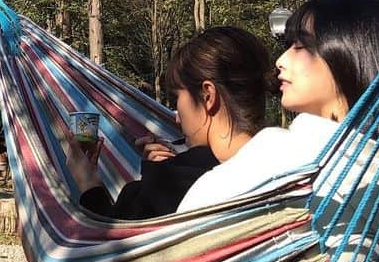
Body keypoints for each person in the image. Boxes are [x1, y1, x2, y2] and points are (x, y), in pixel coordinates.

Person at [177, 0, 379, 212]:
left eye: (300, 46)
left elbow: (188, 221)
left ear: (348, 56)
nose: (280, 61)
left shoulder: (277, 156)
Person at [67, 26, 275, 219]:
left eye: (177, 98)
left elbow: (109, 244)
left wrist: (88, 182)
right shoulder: (289, 168)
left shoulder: (173, 186)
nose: (176, 117)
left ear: (207, 96)